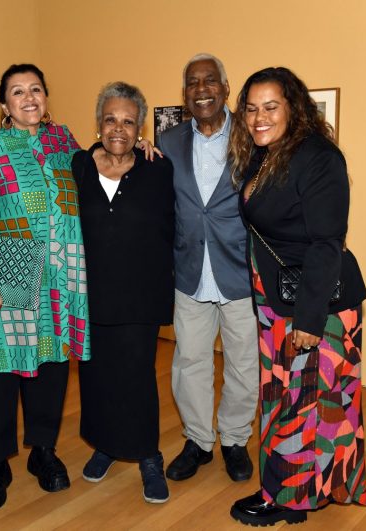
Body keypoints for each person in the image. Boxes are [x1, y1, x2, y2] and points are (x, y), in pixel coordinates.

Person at [228, 66, 366, 526]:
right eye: (251, 109)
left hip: (317, 306)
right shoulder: (266, 154)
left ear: (294, 107)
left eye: (271, 107)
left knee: (302, 404)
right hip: (278, 303)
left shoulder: (318, 157)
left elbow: (328, 242)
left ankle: (284, 498)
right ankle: (299, 493)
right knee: (290, 400)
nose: (258, 117)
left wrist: (308, 319)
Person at [0, 63, 90, 509]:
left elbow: (102, 175)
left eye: (36, 89)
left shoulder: (66, 144)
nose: (29, 97)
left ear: (46, 97)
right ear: (4, 106)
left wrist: (136, 147)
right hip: (10, 267)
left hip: (60, 273)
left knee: (51, 365)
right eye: (18, 92)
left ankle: (43, 451)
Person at [158, 54, 258, 485]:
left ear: (226, 87)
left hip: (240, 270)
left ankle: (234, 439)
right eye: (193, 83)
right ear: (185, 94)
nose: (202, 89)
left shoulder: (253, 136)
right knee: (190, 360)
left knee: (242, 363)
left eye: (210, 81)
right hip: (189, 269)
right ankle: (198, 440)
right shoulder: (167, 143)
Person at [72, 82, 174, 503]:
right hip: (88, 294)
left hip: (138, 295)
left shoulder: (157, 169)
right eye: (111, 119)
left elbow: (171, 230)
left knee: (136, 377)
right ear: (98, 124)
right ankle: (107, 445)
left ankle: (148, 455)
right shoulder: (77, 165)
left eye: (129, 121)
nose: (119, 128)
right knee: (95, 377)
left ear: (140, 129)